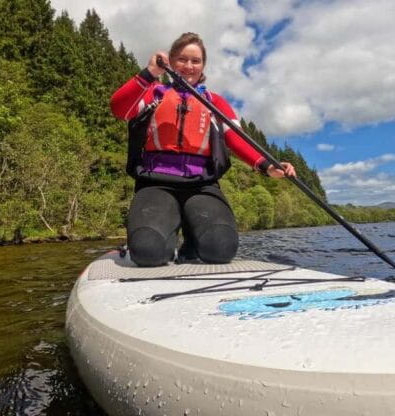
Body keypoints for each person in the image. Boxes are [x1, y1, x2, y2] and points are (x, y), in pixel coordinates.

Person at [111, 32, 296, 267]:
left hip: (201, 186)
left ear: (203, 66)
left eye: (195, 61)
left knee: (221, 249)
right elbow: (119, 109)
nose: (188, 66)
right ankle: (161, 241)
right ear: (170, 62)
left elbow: (237, 139)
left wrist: (268, 166)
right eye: (181, 59)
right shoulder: (153, 93)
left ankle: (191, 244)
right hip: (155, 183)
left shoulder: (214, 102)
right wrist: (149, 74)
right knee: (148, 251)